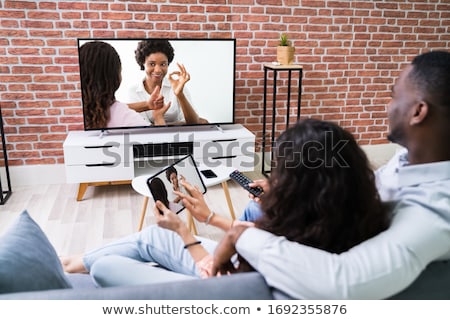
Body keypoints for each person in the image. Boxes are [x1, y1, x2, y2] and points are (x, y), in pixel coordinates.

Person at [212, 50, 450, 299]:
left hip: (324, 256)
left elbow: (345, 282)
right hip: (337, 230)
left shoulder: (435, 210)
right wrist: (289, 190)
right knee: (253, 212)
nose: (388, 106)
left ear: (418, 112)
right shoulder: (408, 159)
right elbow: (356, 190)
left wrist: (240, 235)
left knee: (174, 246)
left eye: (393, 96)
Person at [61, 119, 390, 290]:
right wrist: (215, 216)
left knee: (107, 268)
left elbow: (218, 281)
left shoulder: (284, 252)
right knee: (150, 238)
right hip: (240, 261)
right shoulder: (354, 217)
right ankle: (74, 262)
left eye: (281, 174)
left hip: (217, 288)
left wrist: (185, 232)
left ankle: (74, 268)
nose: (275, 178)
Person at [79, 41, 169, 130]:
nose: (157, 70)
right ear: (114, 76)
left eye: (163, 64)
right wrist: (158, 117)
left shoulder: (75, 112)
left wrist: (147, 105)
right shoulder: (126, 117)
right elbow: (161, 141)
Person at [125, 39, 207, 125]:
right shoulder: (133, 91)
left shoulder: (177, 86)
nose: (158, 70)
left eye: (163, 64)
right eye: (152, 64)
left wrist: (180, 94)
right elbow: (143, 127)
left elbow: (194, 123)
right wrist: (178, 124)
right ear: (143, 63)